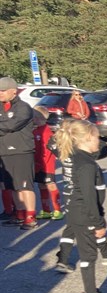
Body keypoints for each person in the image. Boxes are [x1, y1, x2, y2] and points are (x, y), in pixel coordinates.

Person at [52, 118, 107, 293]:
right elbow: (89, 197)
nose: (100, 141)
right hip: (84, 213)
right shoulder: (86, 164)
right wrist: (98, 223)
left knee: (87, 254)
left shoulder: (75, 156)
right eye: (97, 137)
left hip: (76, 210)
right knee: (88, 256)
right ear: (88, 137)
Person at [0, 76, 39, 229]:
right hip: (4, 152)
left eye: (3, 91)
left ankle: (30, 216)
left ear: (13, 91)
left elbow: (11, 125)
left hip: (21, 151)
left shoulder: (23, 107)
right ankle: (20, 213)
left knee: (24, 186)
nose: (0, 93)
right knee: (12, 186)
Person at [32, 106, 62, 220]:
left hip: (46, 165)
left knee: (51, 185)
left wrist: (41, 163)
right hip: (38, 165)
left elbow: (47, 150)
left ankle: (57, 210)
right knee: (41, 185)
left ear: (38, 117)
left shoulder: (46, 132)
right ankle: (46, 210)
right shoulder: (35, 131)